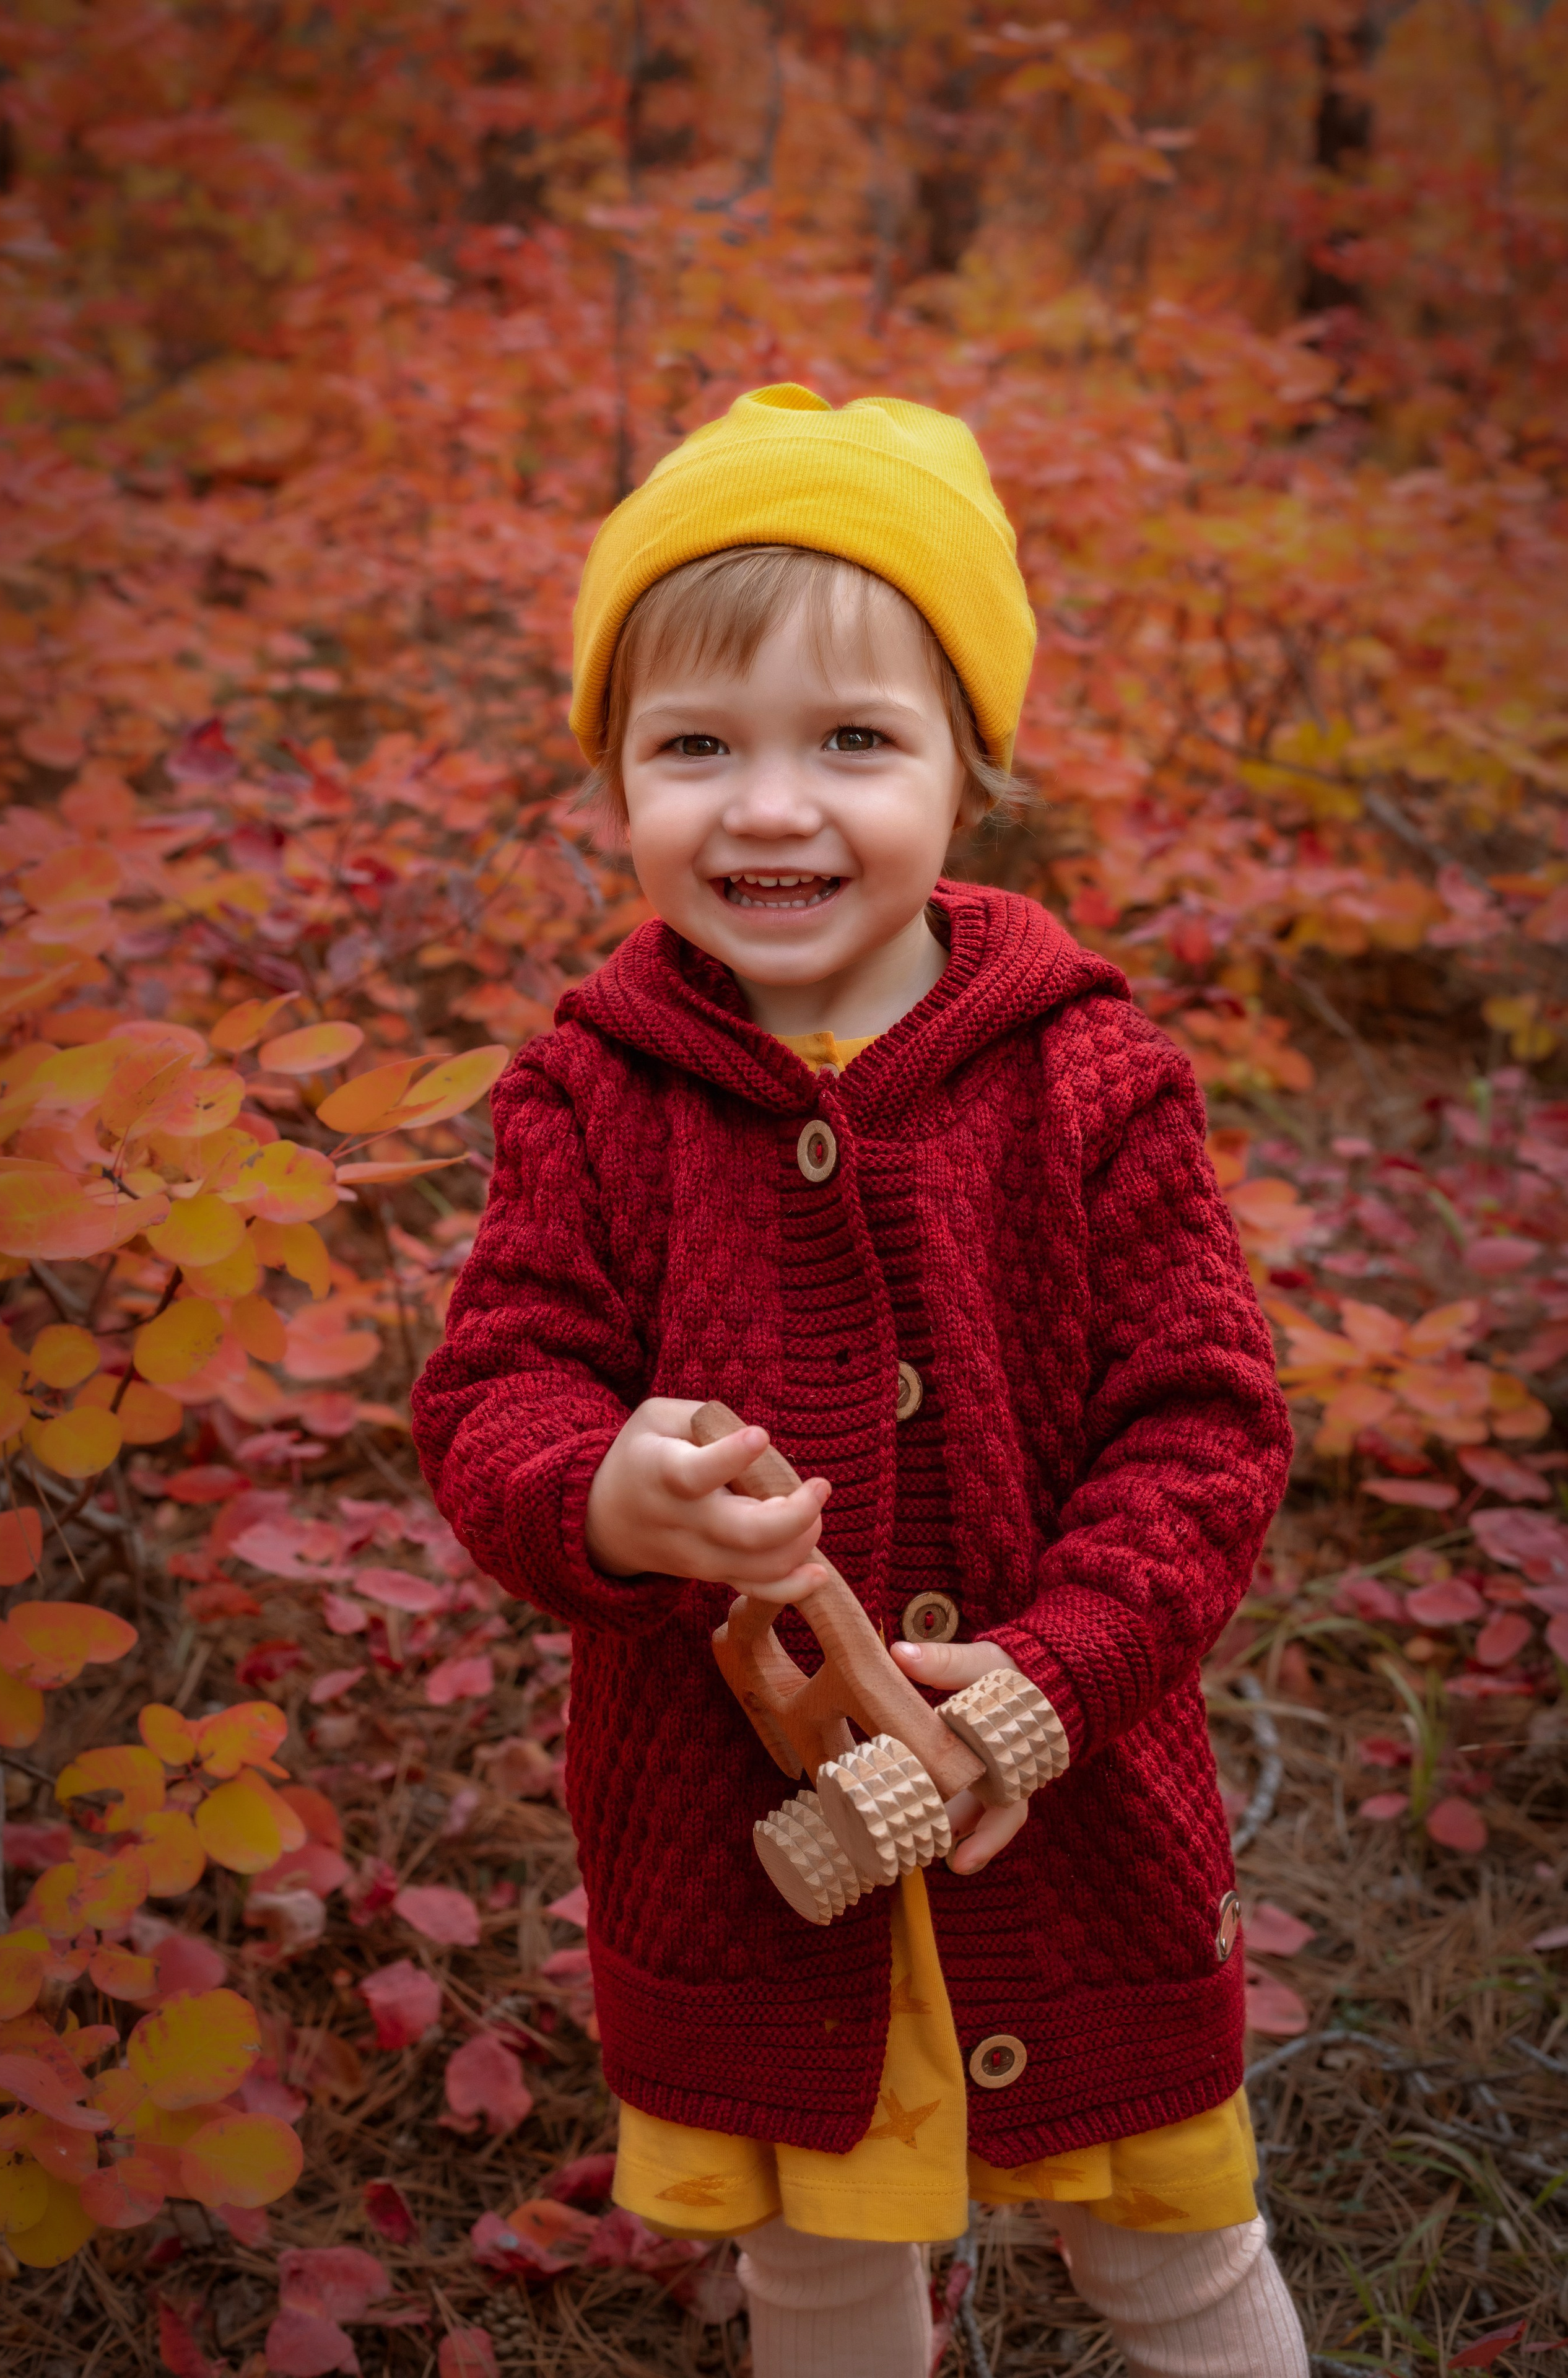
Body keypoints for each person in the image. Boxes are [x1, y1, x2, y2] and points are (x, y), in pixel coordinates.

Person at [411, 383, 1309, 2378]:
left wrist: (1061, 1671)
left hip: (1065, 1816)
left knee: (1170, 2238)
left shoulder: (1086, 1072)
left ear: (968, 771)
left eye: (855, 743)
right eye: (697, 748)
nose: (771, 806)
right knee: (817, 2261)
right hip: (742, 1844)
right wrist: (600, 1492)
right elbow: (499, 1390)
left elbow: (1206, 1423)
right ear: (617, 777)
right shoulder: (593, 1086)